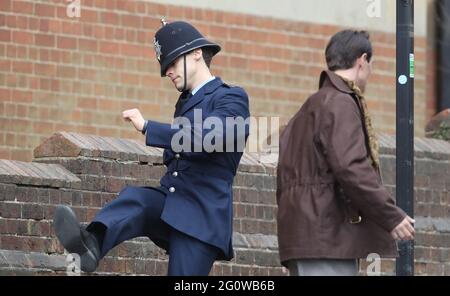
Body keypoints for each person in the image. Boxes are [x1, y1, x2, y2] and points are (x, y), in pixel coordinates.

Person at [53, 20, 250, 276]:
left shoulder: (231, 97)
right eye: (165, 66)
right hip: (173, 202)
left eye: (173, 63)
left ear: (197, 53)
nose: (168, 71)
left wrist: (148, 127)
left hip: (201, 218)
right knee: (138, 200)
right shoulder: (185, 103)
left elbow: (207, 138)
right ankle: (90, 245)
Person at [276, 30, 415, 276]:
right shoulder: (341, 102)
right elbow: (351, 167)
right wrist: (390, 215)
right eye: (371, 64)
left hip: (304, 238)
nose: (370, 71)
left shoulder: (309, 107)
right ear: (362, 61)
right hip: (327, 238)